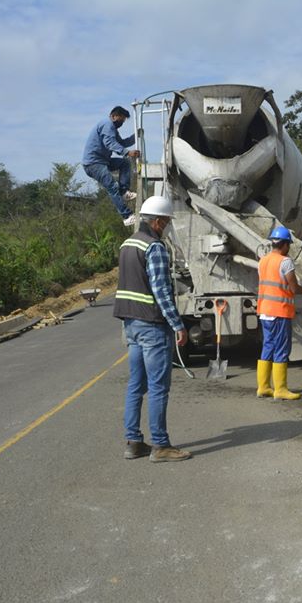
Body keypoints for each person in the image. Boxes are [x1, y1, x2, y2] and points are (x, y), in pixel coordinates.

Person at [113, 196, 191, 462]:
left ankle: (133, 442)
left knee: (136, 385)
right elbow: (160, 291)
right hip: (152, 326)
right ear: (157, 222)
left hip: (131, 324)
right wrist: (177, 324)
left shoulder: (128, 244)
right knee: (158, 387)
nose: (167, 227)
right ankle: (161, 446)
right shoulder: (154, 247)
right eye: (167, 222)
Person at [255, 225, 302, 400]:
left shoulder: (263, 261)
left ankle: (263, 387)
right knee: (282, 349)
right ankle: (280, 390)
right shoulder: (285, 262)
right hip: (279, 312)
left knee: (267, 346)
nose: (289, 248)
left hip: (265, 311)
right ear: (284, 245)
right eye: (288, 245)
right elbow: (294, 288)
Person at [83, 106, 141, 226]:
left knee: (124, 163)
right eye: (121, 120)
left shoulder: (113, 128)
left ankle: (124, 191)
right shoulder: (107, 124)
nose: (121, 123)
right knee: (113, 187)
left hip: (103, 161)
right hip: (93, 164)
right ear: (113, 116)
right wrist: (127, 152)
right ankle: (127, 217)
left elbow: (121, 143)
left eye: (123, 121)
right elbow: (110, 144)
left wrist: (136, 136)